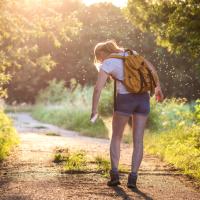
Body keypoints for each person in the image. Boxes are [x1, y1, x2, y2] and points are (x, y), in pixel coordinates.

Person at [91, 40, 164, 188]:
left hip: (125, 100)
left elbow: (98, 89)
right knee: (138, 140)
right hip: (143, 99)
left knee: (116, 137)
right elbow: (152, 70)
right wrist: (158, 88)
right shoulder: (132, 53)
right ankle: (133, 179)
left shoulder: (108, 63)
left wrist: (94, 110)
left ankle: (115, 176)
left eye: (99, 58)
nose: (100, 61)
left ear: (101, 53)